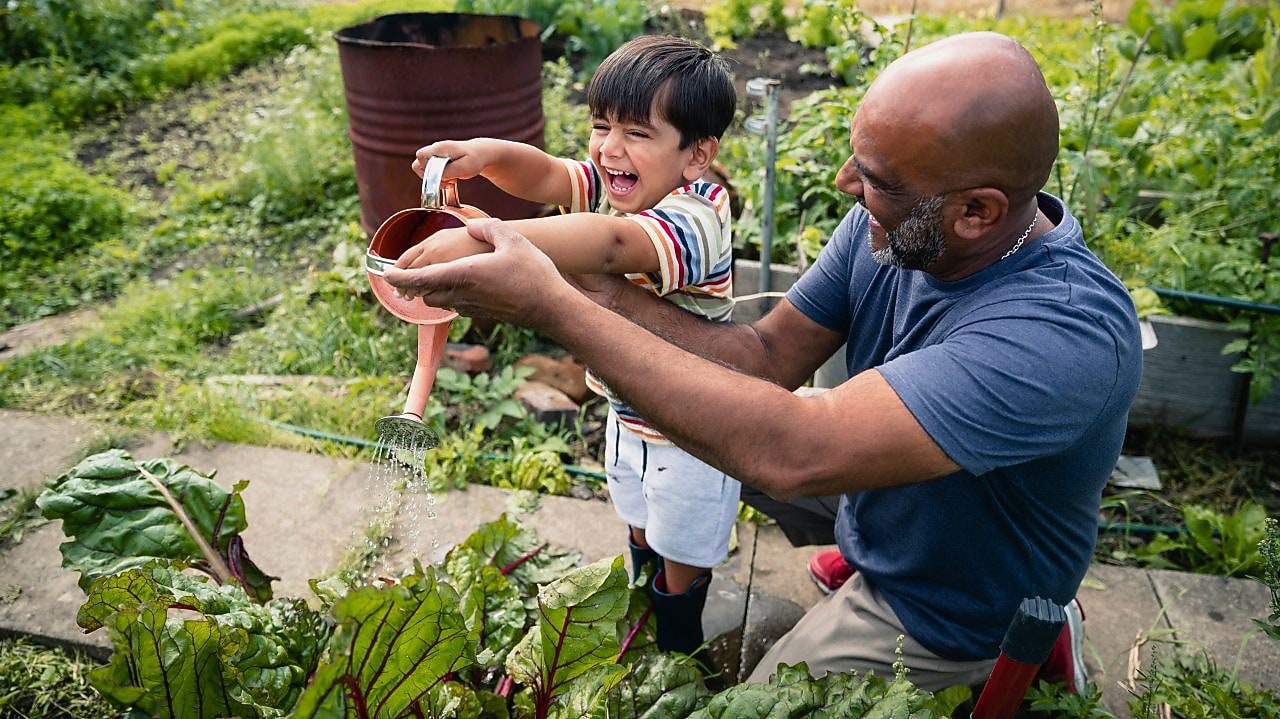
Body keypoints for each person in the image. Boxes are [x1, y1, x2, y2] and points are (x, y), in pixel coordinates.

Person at [386, 31, 1143, 692]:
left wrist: (550, 300)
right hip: (876, 492)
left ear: (976, 211)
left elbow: (794, 450)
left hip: (950, 599)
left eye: (876, 180)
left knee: (759, 695)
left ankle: (1031, 645)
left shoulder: (1060, 333)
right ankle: (853, 545)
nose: (847, 186)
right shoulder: (894, 224)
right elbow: (763, 359)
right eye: (858, 159)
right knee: (702, 436)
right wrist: (571, 279)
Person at [397, 35, 740, 655]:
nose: (610, 148)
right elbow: (550, 174)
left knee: (683, 545)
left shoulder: (697, 218)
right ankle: (641, 607)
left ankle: (679, 646)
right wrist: (484, 155)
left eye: (637, 133)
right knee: (637, 519)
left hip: (696, 429)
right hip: (627, 410)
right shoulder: (619, 183)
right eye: (601, 125)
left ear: (697, 154)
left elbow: (612, 245)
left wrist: (484, 240)